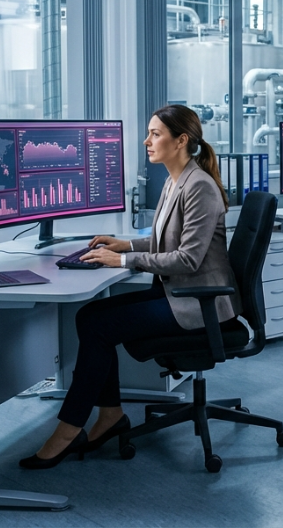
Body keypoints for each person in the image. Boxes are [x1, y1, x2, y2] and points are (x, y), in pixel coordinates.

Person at [19, 104, 238, 469]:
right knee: (90, 316)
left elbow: (187, 259)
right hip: (175, 293)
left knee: (99, 326)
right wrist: (126, 245)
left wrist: (122, 261)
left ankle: (69, 430)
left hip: (198, 304)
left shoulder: (199, 187)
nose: (146, 141)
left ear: (181, 140)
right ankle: (109, 414)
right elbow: (167, 239)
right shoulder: (176, 179)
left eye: (155, 133)